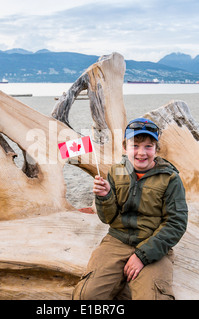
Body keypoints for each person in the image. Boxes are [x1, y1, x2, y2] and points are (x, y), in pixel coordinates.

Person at [72, 118, 188, 300]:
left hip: (152, 244)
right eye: (135, 145)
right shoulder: (116, 172)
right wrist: (105, 197)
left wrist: (142, 256)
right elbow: (108, 218)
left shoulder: (170, 178)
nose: (141, 153)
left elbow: (176, 223)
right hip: (117, 240)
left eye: (148, 146)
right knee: (87, 295)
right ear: (125, 147)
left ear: (156, 149)